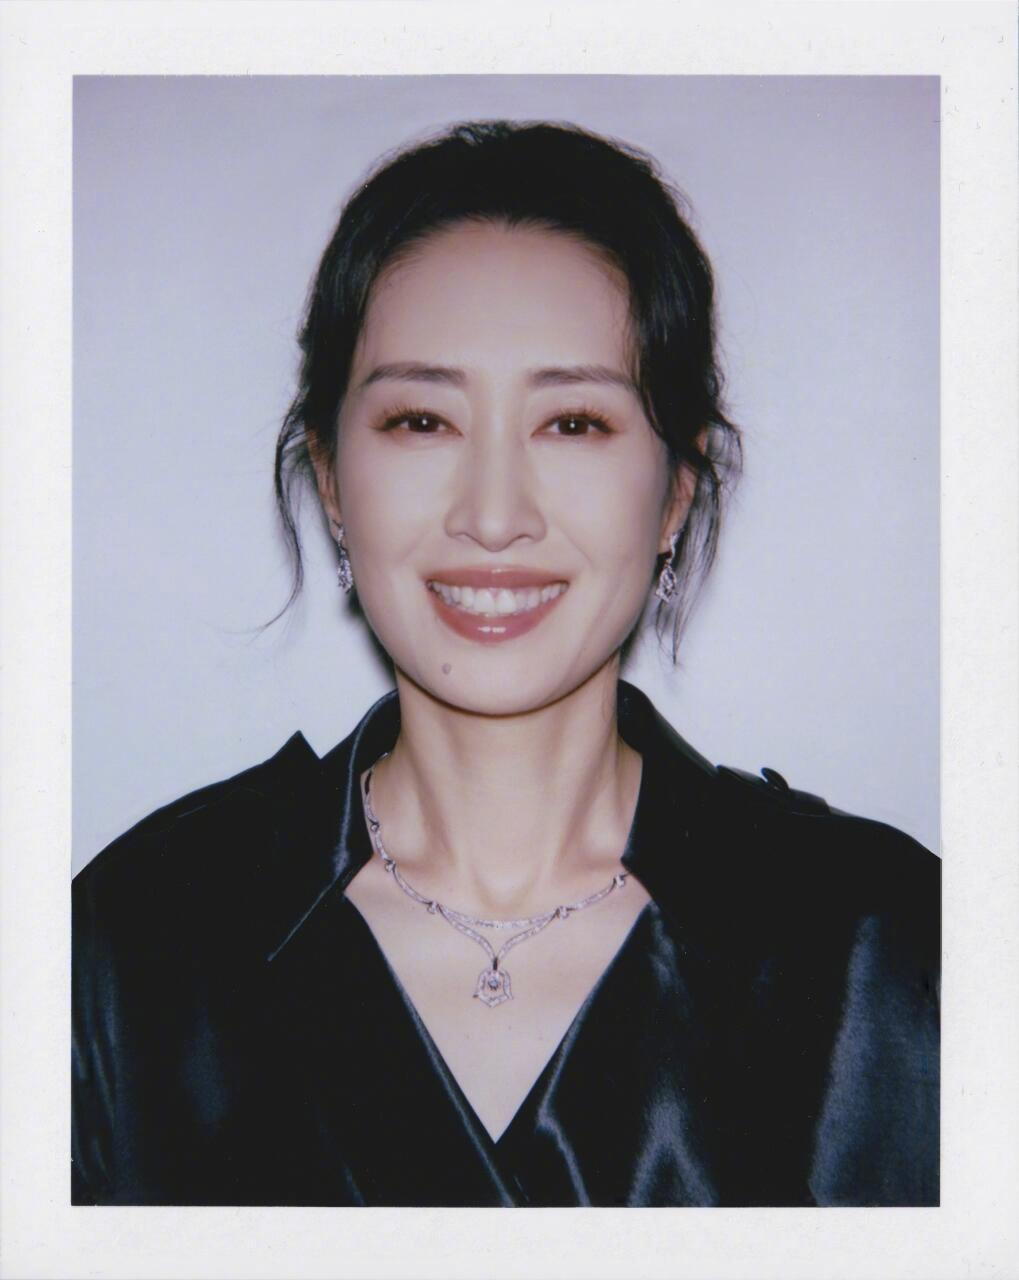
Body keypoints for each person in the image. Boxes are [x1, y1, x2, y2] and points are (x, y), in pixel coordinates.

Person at [72, 121, 940, 1207]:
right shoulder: (138, 943)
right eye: (420, 420)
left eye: (572, 423)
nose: (491, 515)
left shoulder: (883, 949)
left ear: (676, 490)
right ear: (331, 479)